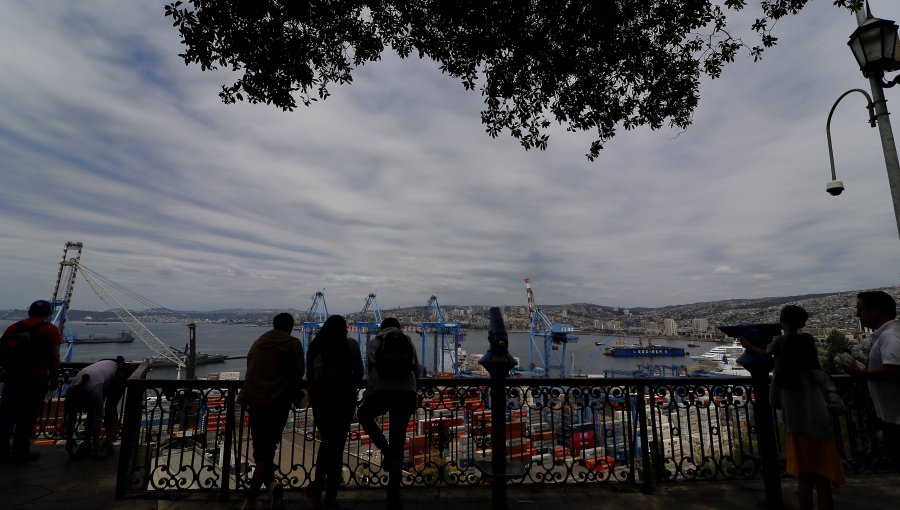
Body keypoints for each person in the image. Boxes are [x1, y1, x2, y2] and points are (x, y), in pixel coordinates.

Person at [769, 305, 845, 510]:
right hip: (821, 430)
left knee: (804, 478)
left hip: (796, 429)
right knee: (823, 478)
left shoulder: (781, 377)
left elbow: (773, 402)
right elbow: (837, 405)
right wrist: (827, 409)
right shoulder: (819, 376)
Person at [238, 312, 305, 509]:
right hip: (277, 403)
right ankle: (250, 498)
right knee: (268, 451)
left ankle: (273, 486)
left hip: (255, 402)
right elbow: (298, 372)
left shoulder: (259, 342)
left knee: (260, 449)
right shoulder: (292, 344)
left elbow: (250, 367)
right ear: (291, 327)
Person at [358, 318, 421, 510]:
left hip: (382, 393)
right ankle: (393, 498)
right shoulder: (408, 340)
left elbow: (371, 369)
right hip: (406, 395)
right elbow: (416, 370)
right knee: (398, 443)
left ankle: (385, 450)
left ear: (382, 328)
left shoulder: (375, 342)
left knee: (363, 416)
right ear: (399, 328)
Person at [305, 315, 364, 510]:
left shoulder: (314, 346)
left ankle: (316, 490)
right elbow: (360, 372)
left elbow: (310, 376)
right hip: (344, 402)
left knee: (326, 445)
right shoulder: (351, 345)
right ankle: (330, 496)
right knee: (336, 448)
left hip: (322, 402)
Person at [0, 300, 63, 464]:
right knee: (27, 417)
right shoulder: (49, 329)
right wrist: (54, 379)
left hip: (12, 378)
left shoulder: (13, 328)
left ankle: (2, 450)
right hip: (35, 379)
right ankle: (21, 452)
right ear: (49, 313)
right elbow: (54, 357)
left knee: (7, 416)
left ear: (30, 311)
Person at [844, 290, 900, 470]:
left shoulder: (889, 337)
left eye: (860, 310)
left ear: (876, 311)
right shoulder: (891, 334)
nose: (857, 315)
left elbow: (894, 371)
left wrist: (862, 374)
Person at [64, 356, 133, 459]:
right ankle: (87, 443)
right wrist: (69, 440)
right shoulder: (71, 391)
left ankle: (108, 444)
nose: (83, 410)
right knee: (93, 411)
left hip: (118, 373)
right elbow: (71, 416)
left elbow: (97, 417)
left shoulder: (94, 390)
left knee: (110, 407)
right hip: (104, 368)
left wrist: (96, 445)